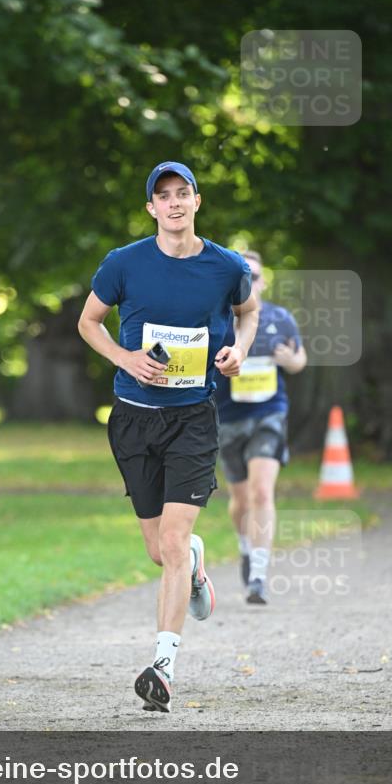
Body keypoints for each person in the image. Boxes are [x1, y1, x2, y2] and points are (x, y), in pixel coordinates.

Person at [78, 161, 258, 712]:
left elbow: (248, 313)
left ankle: (163, 667)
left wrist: (239, 352)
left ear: (197, 202)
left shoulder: (225, 266)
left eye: (184, 194)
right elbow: (89, 322)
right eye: (164, 196)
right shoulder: (123, 264)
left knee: (174, 543)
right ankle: (196, 564)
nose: (175, 203)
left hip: (193, 418)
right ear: (152, 209)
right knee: (162, 552)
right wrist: (125, 358)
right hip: (133, 419)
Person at [215, 250, 307, 605]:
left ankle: (258, 576)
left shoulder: (279, 318)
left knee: (262, 493)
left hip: (270, 412)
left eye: (252, 276)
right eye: (240, 277)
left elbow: (300, 359)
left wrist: (291, 360)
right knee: (240, 501)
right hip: (229, 416)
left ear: (263, 281)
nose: (247, 283)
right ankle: (245, 547)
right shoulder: (218, 319)